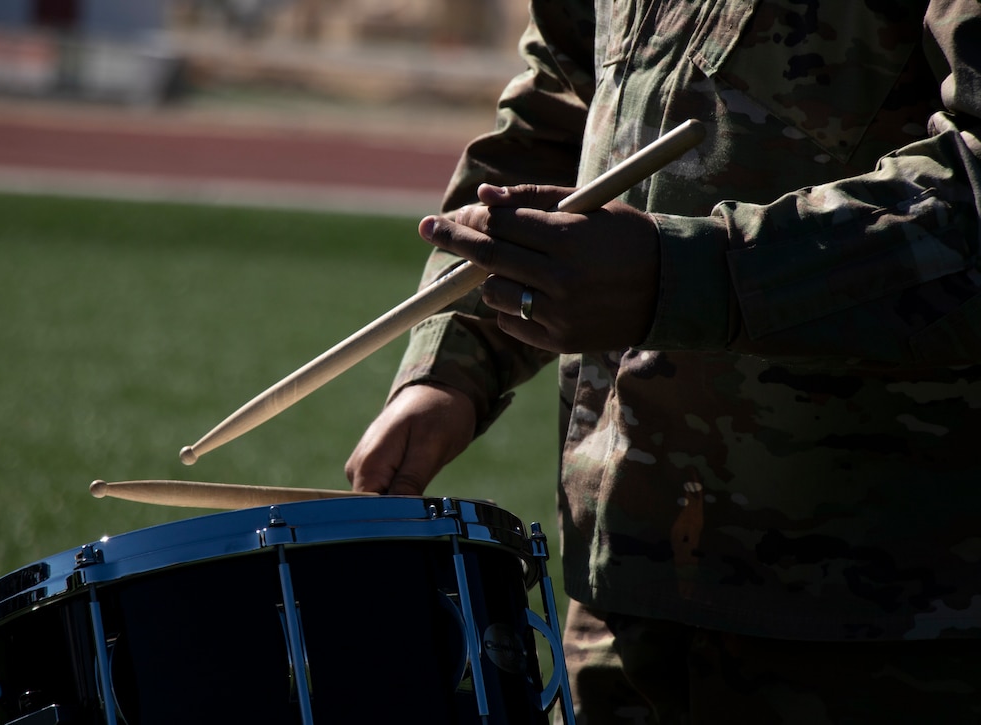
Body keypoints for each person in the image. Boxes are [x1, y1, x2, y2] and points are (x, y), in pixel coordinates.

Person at [346, 1, 981, 721]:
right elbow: (565, 109)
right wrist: (455, 362)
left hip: (886, 624)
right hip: (618, 598)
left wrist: (683, 274)